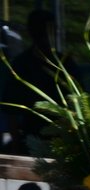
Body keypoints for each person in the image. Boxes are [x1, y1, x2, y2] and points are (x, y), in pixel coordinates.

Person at [2, 10, 69, 154]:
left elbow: (81, 105)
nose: (47, 36)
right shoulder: (22, 65)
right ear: (32, 32)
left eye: (51, 31)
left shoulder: (66, 65)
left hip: (68, 142)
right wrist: (16, 148)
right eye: (43, 31)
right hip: (31, 143)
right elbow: (11, 110)